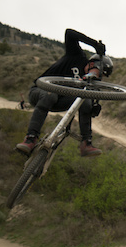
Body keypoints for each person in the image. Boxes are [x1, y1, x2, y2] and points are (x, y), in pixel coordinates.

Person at [15, 28, 114, 158]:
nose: (97, 75)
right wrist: (94, 44)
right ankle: (30, 139)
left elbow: (90, 103)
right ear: (91, 63)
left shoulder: (90, 81)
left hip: (59, 101)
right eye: (98, 70)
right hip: (39, 92)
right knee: (51, 94)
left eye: (101, 75)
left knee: (85, 101)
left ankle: (86, 143)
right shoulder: (77, 56)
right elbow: (69, 33)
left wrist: (93, 106)